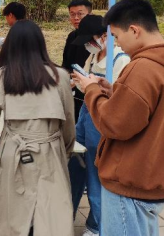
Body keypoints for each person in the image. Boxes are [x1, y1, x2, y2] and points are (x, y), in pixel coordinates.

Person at [0, 20, 76, 236]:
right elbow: (68, 120)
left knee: (12, 211)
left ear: (11, 45)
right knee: (49, 213)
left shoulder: (3, 76)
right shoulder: (60, 76)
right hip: (50, 151)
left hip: (14, 150)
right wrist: (66, 151)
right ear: (41, 43)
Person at [73, 0, 164, 236]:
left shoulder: (142, 67)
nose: (118, 44)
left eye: (116, 35)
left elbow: (114, 123)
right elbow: (148, 107)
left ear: (134, 30)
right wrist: (113, 90)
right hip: (152, 177)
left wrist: (91, 90)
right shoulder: (159, 64)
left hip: (129, 182)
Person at [68, 15, 130, 236]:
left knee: (95, 175)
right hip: (85, 115)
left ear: (105, 36)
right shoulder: (93, 56)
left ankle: (96, 226)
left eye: (90, 40)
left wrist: (96, 87)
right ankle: (65, 214)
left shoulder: (121, 59)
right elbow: (85, 85)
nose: (88, 45)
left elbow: (121, 97)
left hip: (101, 119)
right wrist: (78, 81)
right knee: (74, 165)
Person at [62, 0, 93, 122]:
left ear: (89, 15)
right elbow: (66, 63)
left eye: (80, 14)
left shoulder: (96, 39)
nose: (76, 18)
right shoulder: (71, 36)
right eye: (72, 14)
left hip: (88, 89)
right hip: (71, 88)